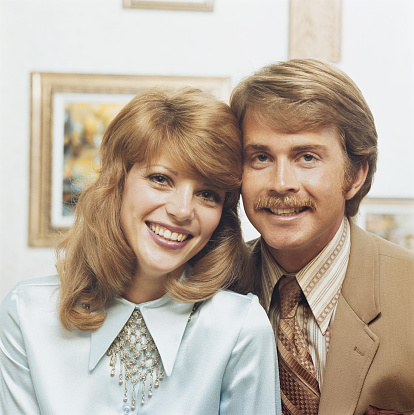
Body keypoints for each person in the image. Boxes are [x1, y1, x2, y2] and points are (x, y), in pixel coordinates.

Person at [0, 87, 281, 415]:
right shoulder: (27, 313)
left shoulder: (240, 327)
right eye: (161, 179)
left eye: (208, 194)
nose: (181, 210)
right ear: (117, 184)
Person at [230, 58, 414, 415]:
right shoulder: (207, 287)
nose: (281, 182)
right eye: (260, 157)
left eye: (307, 157)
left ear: (355, 175)